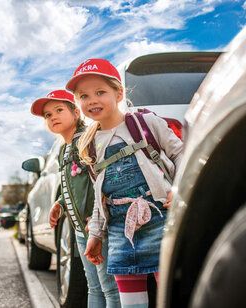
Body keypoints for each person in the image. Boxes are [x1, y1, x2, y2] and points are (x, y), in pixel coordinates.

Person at [66, 58, 183, 308]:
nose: (92, 100)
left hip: (159, 219)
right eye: (84, 96)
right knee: (130, 303)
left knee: (170, 296)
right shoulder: (90, 143)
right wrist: (95, 234)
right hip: (120, 229)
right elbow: (101, 197)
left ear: (118, 93)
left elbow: (181, 153)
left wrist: (180, 186)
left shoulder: (145, 123)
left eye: (100, 92)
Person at [30, 89, 121, 308]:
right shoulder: (64, 149)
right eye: (48, 115)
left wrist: (97, 222)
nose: (53, 117)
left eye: (59, 110)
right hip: (80, 229)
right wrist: (60, 204)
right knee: (94, 286)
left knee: (110, 287)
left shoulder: (87, 140)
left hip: (97, 227)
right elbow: (72, 185)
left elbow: (98, 181)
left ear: (76, 113)